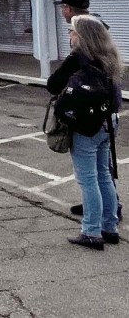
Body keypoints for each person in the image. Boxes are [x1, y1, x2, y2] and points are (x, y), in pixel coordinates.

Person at [46, 15, 122, 249]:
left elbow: (52, 85)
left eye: (72, 31)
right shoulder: (108, 56)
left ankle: (90, 231)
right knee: (104, 175)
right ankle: (110, 227)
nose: (69, 34)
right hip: (108, 122)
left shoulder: (78, 58)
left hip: (85, 125)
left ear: (82, 35)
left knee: (88, 179)